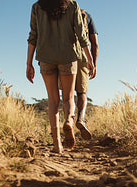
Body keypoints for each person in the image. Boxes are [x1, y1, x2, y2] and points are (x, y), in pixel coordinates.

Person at [26, 0, 96, 152]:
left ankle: (57, 144)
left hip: (45, 57)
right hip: (68, 56)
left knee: (52, 101)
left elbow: (33, 36)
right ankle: (69, 122)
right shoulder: (72, 5)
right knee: (68, 98)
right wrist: (90, 59)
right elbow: (81, 34)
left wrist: (29, 63)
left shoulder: (37, 7)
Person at [74, 9, 98, 140]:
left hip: (67, 56)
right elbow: (95, 43)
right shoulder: (87, 16)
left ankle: (68, 122)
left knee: (68, 94)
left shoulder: (65, 14)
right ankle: (81, 119)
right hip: (84, 57)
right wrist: (93, 62)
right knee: (82, 93)